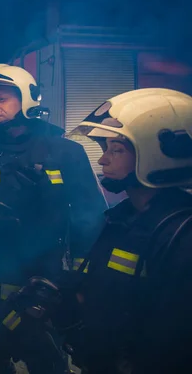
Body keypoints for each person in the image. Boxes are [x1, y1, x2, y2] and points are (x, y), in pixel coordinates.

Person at [0, 64, 107, 373]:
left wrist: (80, 280)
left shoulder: (65, 153)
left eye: (3, 99)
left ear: (27, 99)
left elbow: (91, 220)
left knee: (47, 364)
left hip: (43, 297)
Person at [59, 88, 192, 374]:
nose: (102, 160)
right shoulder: (122, 219)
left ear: (157, 156)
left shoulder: (180, 235)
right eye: (105, 149)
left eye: (116, 150)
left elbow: (172, 339)